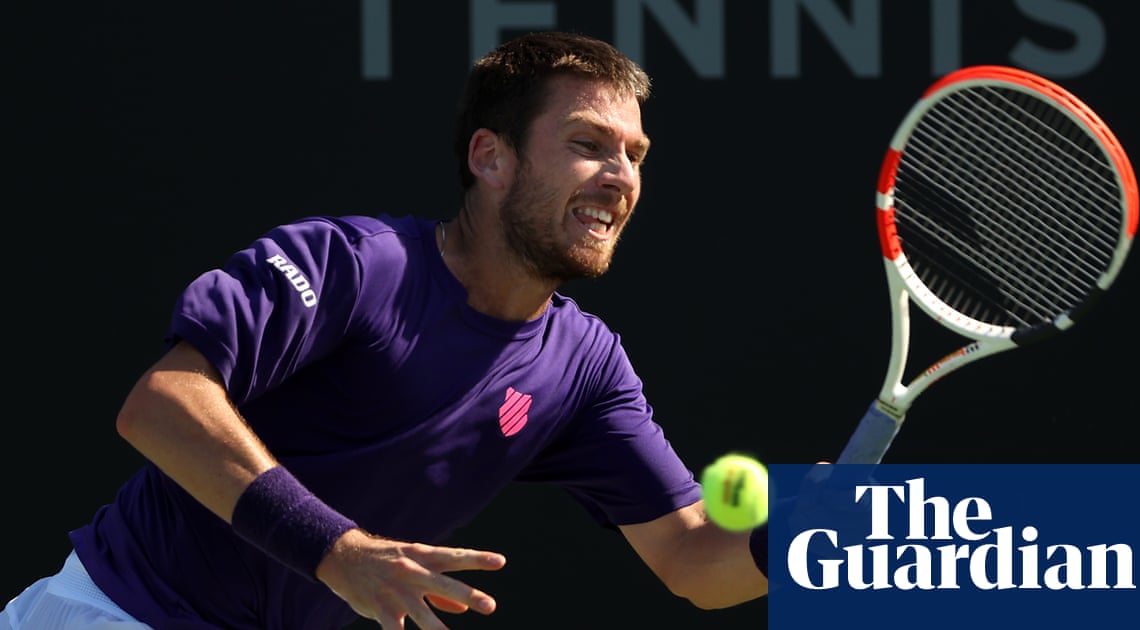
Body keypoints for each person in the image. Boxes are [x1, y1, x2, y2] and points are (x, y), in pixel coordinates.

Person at [1, 30, 769, 629]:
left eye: (635, 155)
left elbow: (693, 560)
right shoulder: (354, 266)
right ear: (491, 158)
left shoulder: (584, 365)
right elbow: (159, 405)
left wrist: (834, 530)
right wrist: (339, 553)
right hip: (114, 612)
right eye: (588, 144)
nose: (622, 176)